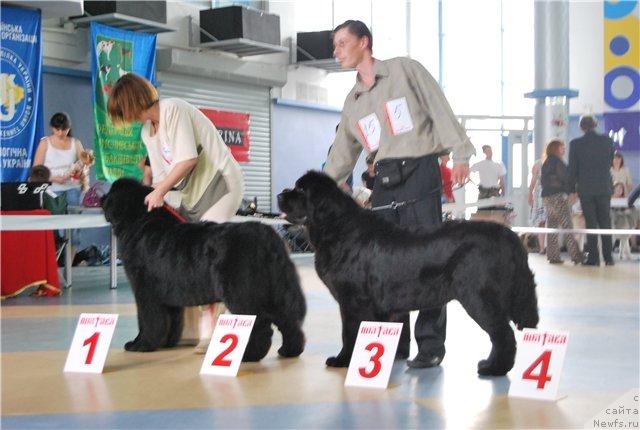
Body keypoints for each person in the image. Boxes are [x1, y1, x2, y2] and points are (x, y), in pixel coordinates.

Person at [323, 20, 474, 369]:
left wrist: (461, 154)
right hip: (384, 180)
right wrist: (321, 192)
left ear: (365, 42)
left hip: (421, 171)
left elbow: (440, 108)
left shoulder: (405, 70)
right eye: (335, 46)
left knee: (428, 260)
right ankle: (394, 342)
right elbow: (341, 155)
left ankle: (431, 345)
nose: (337, 52)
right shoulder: (353, 101)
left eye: (342, 43)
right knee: (385, 265)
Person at [107, 73, 245, 353]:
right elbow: (160, 176)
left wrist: (158, 192)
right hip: (191, 196)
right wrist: (152, 195)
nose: (125, 118)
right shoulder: (148, 132)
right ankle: (189, 332)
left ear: (132, 101)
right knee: (184, 257)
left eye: (122, 111)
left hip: (220, 186)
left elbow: (186, 160)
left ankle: (215, 332)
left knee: (208, 254)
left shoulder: (174, 110)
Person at [568, 115, 615, 266]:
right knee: (605, 222)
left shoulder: (575, 144)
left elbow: (573, 170)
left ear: (581, 127)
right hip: (604, 187)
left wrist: (571, 190)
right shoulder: (607, 141)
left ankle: (594, 258)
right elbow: (609, 163)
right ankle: (609, 258)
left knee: (591, 223)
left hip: (586, 189)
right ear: (595, 125)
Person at [540, 139, 583, 264]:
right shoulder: (558, 162)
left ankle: (553, 255)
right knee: (567, 226)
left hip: (547, 197)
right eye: (562, 147)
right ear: (556, 148)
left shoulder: (546, 162)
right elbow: (566, 179)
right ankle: (576, 256)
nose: (564, 149)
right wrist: (572, 192)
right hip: (558, 197)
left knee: (552, 226)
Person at [33, 112, 86, 207]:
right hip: (51, 188)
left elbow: (84, 164)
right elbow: (36, 170)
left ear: (69, 128)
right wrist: (52, 179)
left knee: (72, 218)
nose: (60, 133)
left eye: (64, 130)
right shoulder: (45, 143)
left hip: (72, 187)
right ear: (52, 128)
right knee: (53, 219)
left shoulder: (76, 143)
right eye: (57, 129)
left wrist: (78, 172)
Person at [528, 158, 547, 254]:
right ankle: (542, 247)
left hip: (552, 194)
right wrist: (530, 194)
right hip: (540, 195)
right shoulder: (538, 164)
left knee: (551, 221)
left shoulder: (559, 161)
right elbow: (533, 181)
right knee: (541, 222)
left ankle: (549, 247)